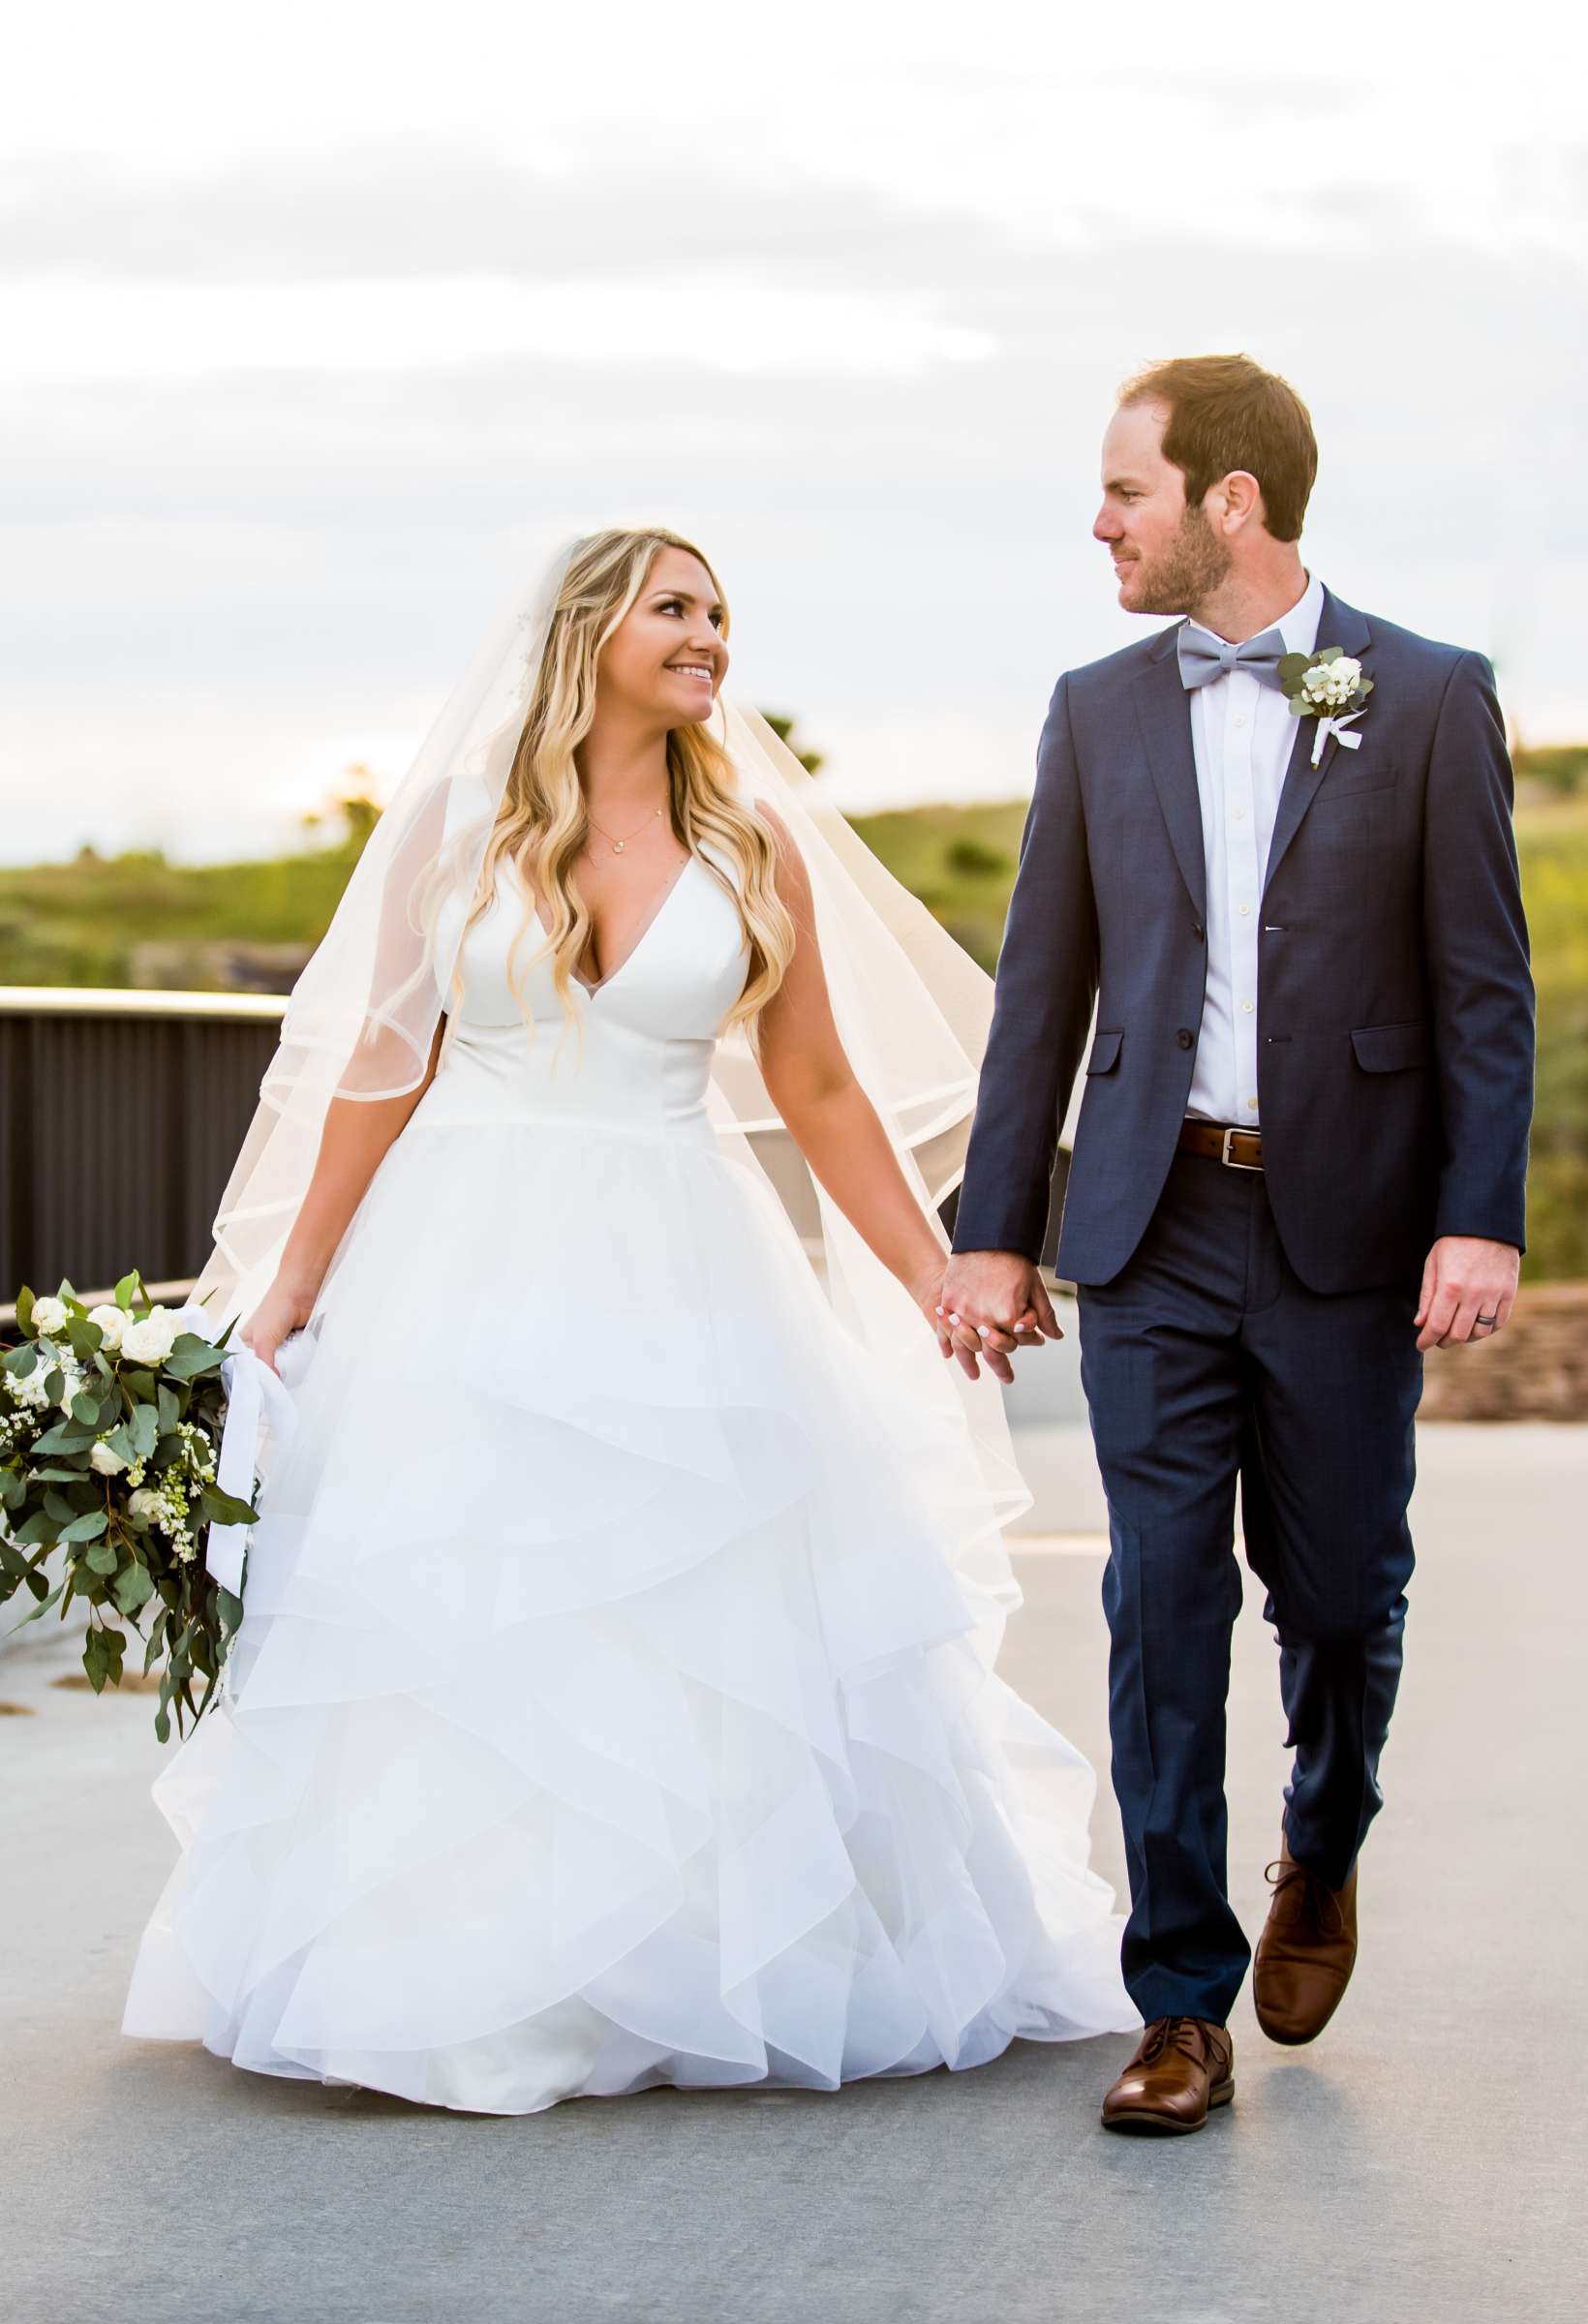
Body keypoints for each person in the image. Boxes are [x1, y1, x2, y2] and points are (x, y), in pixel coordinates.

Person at [121, 528, 1135, 2114]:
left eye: (721, 614)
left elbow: (816, 1088)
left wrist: (930, 1265)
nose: (710, 636)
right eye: (676, 608)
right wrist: (292, 1281)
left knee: (700, 1605)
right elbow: (379, 1068)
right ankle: (469, 1971)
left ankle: (688, 1962)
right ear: (589, 629)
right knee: (463, 1600)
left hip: (680, 1252)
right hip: (458, 1256)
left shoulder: (752, 849)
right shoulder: (457, 831)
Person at [943, 356, 1534, 2135]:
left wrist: (1477, 1212)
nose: (1100, 523)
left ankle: (1326, 1841)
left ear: (1231, 503)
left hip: (1353, 1226)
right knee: (1159, 1600)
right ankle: (1180, 2001)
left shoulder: (1429, 698)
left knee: (1344, 1600)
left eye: (1126, 490)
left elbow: (1484, 994)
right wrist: (996, 1234)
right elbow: (1041, 989)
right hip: (1152, 1221)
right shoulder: (1094, 709)